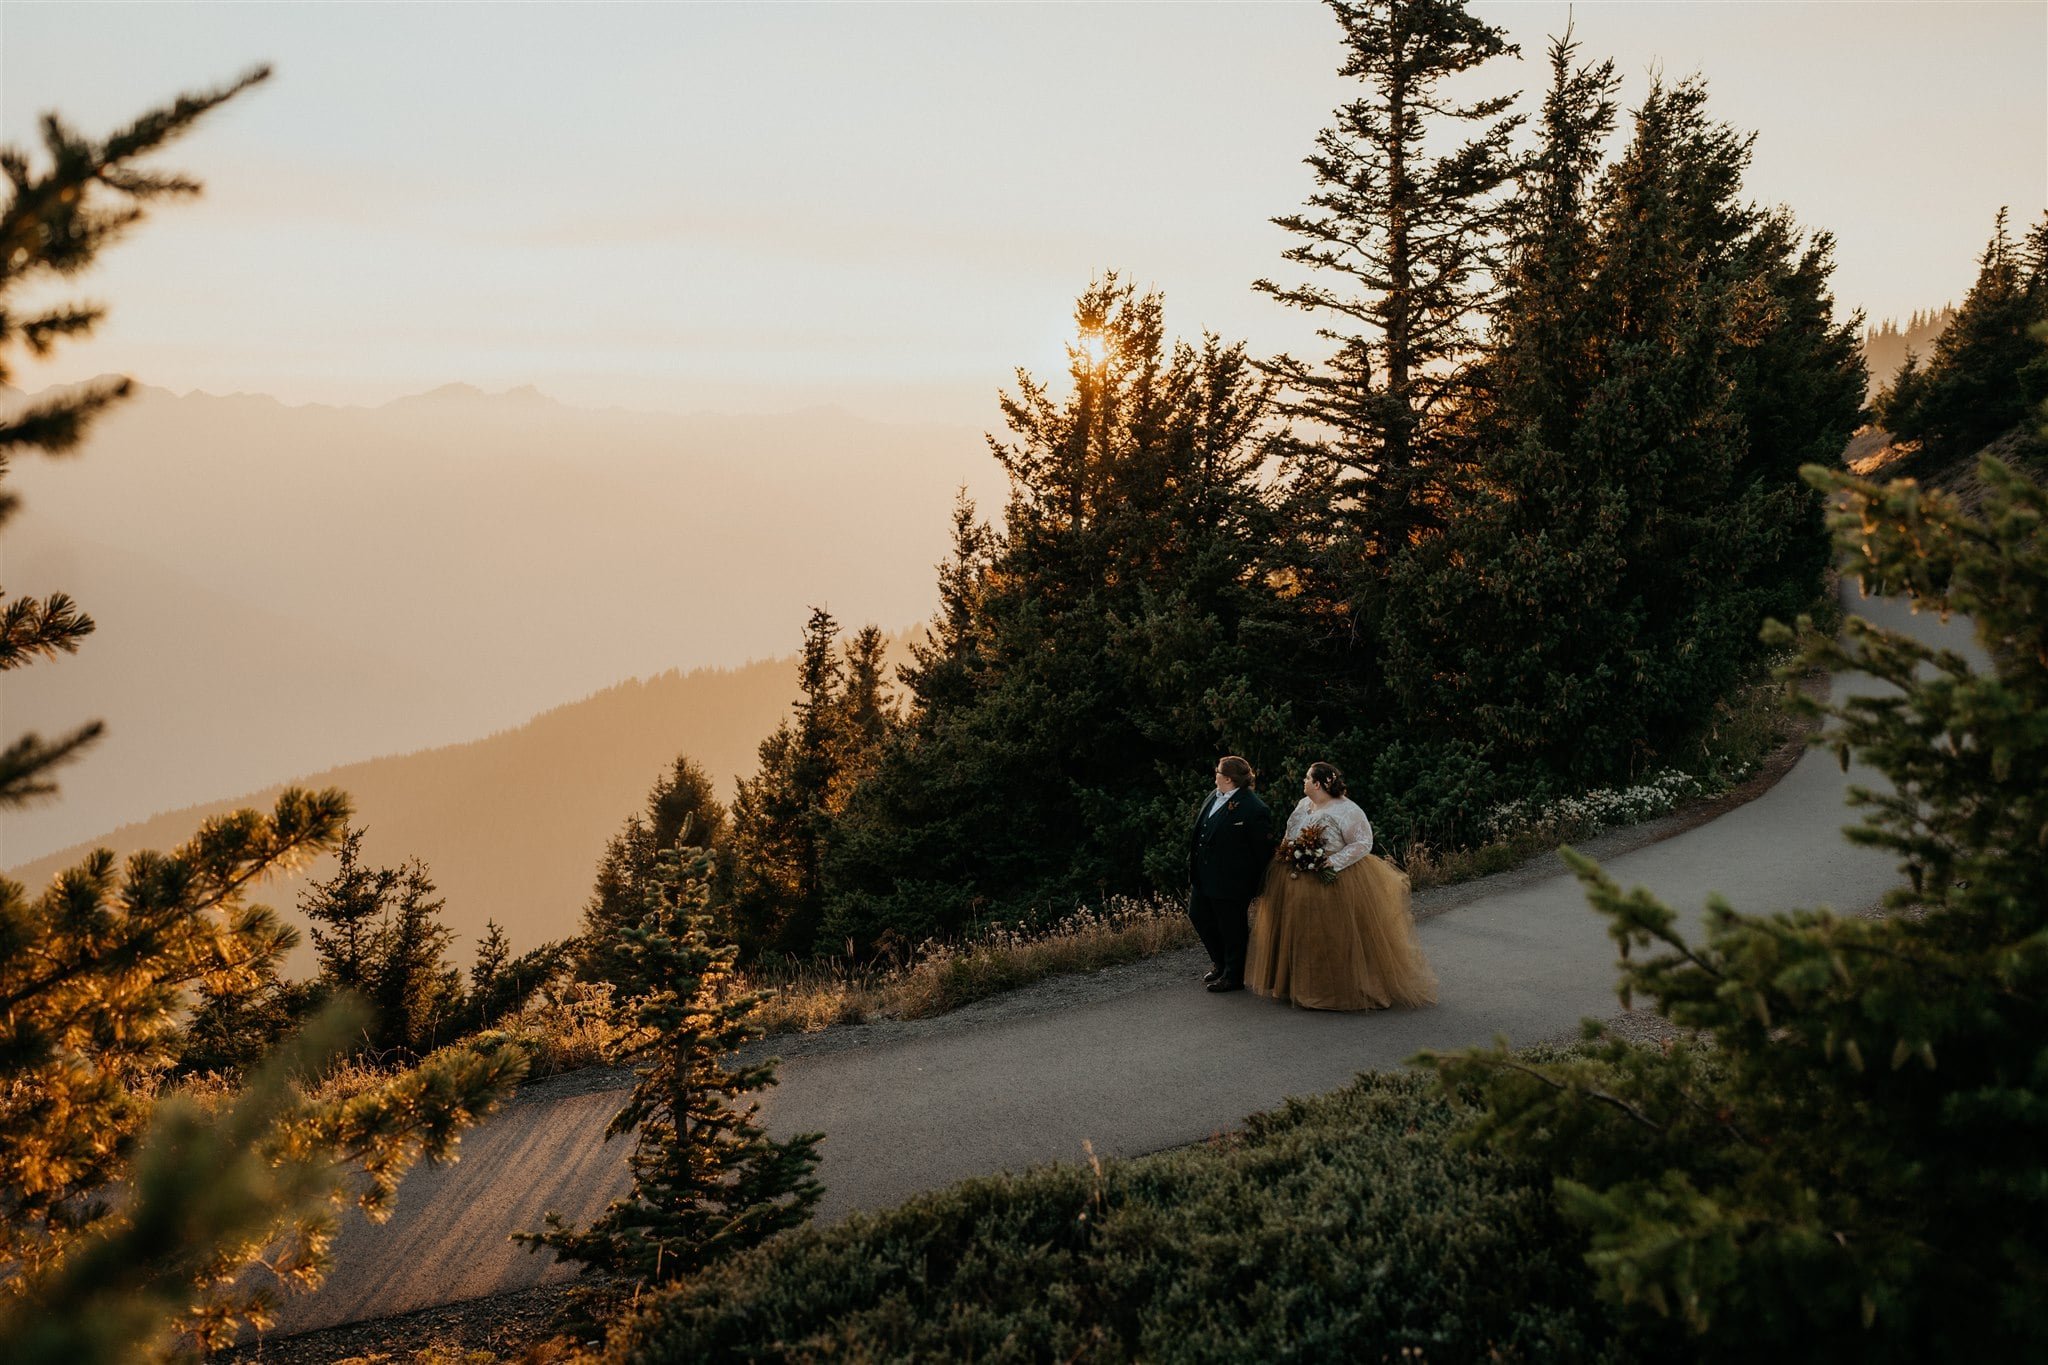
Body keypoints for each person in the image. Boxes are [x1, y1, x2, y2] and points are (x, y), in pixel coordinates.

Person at [1244, 760, 1437, 1011]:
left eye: (1307, 777)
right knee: (1300, 933)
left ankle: (1332, 990)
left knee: (1331, 934)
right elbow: (1290, 832)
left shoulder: (1348, 810)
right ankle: (1297, 986)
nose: (1303, 781)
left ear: (1319, 783)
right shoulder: (1304, 804)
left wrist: (1329, 862)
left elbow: (1362, 843)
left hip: (1335, 879)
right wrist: (1289, 853)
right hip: (1295, 876)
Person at [1186, 755, 1274, 993]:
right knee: (1198, 916)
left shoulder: (1254, 808)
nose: (1214, 774)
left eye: (1217, 772)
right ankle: (1220, 962)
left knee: (1232, 927)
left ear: (1227, 778)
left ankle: (1234, 976)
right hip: (1203, 875)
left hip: (1232, 880)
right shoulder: (1212, 797)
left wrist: (1253, 883)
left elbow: (1262, 851)